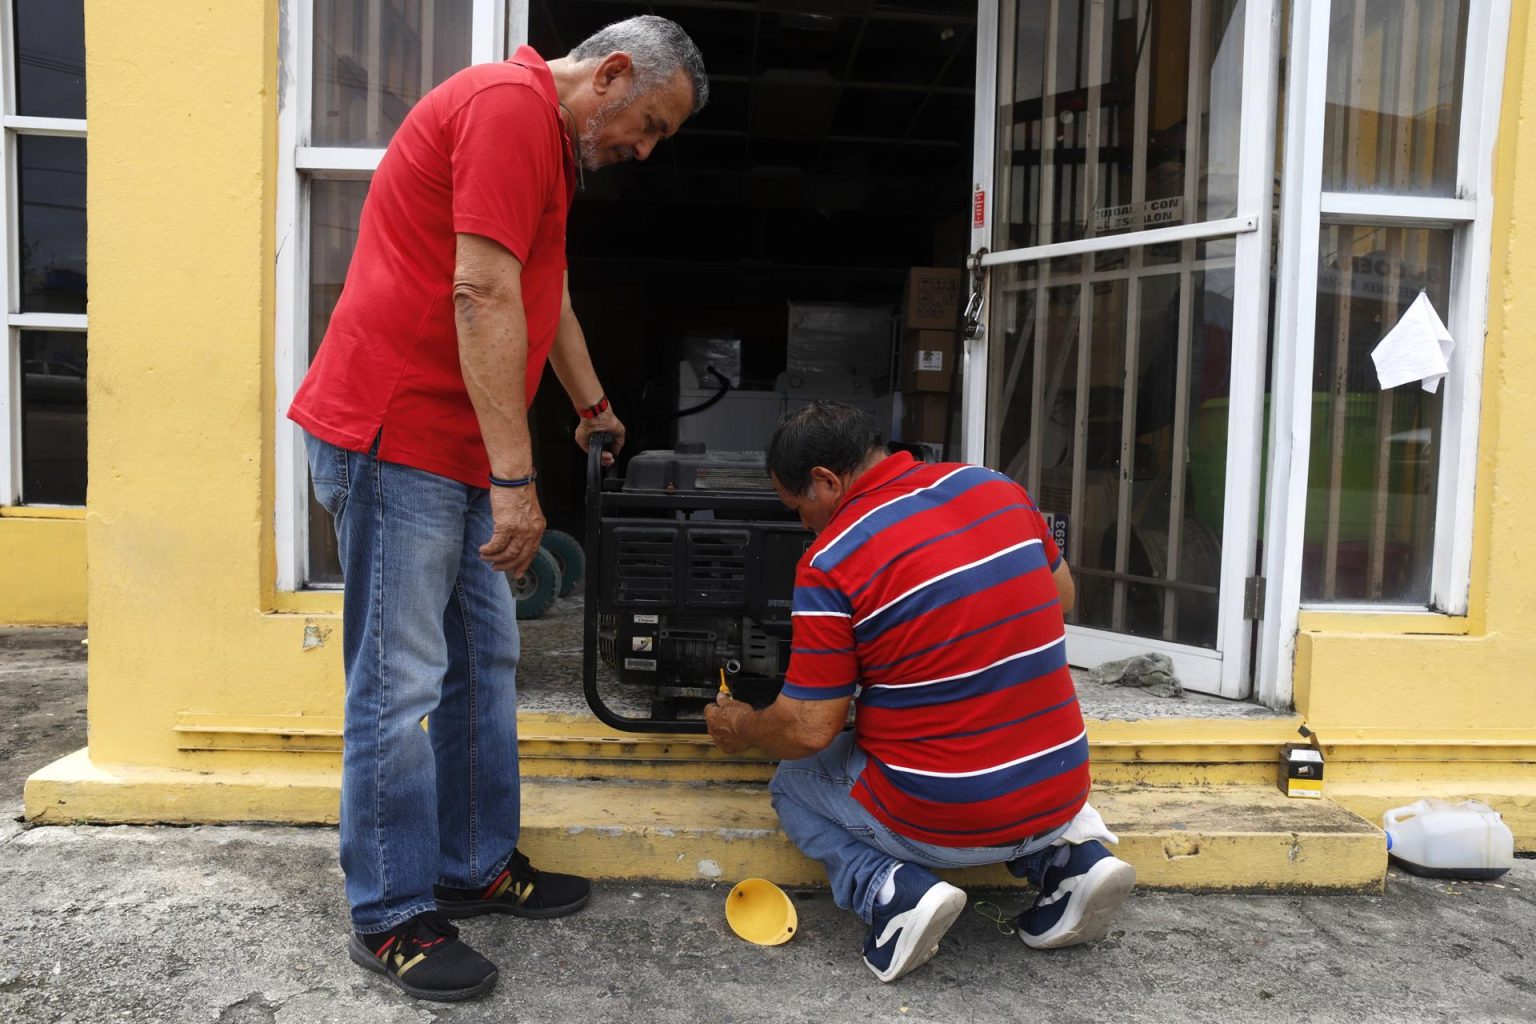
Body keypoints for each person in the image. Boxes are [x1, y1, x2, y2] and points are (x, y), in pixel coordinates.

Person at [286, 16, 708, 1003]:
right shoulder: (507, 111)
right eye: (649, 125)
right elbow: (479, 290)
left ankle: (472, 862)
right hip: (401, 441)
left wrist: (592, 405)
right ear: (609, 75)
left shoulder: (549, 149)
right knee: (399, 687)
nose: (643, 150)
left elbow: (539, 292)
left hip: (461, 448)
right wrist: (518, 484)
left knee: (485, 661)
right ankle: (390, 914)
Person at [705, 401, 1135, 983]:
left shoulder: (831, 560)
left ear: (827, 482)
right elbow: (1061, 599)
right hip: (1062, 790)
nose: (803, 523)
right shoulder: (994, 486)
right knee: (998, 749)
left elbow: (808, 730)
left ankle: (892, 893)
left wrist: (743, 726)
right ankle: (1067, 860)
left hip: (942, 822)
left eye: (800, 506)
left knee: (793, 783)